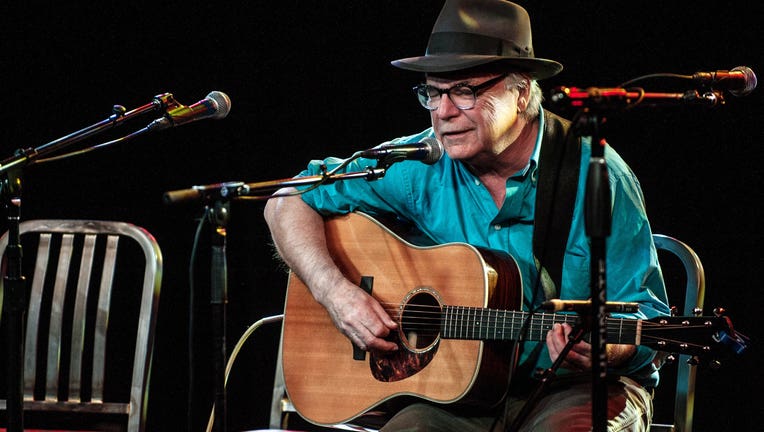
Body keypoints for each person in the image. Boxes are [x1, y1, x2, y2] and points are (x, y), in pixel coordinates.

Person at [264, 0, 670, 430]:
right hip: (460, 394)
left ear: (522, 91)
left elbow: (646, 316)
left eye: (465, 91)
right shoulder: (419, 162)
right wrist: (336, 293)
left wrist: (610, 349)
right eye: (432, 93)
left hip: (576, 389)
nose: (443, 112)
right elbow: (288, 199)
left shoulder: (597, 175)